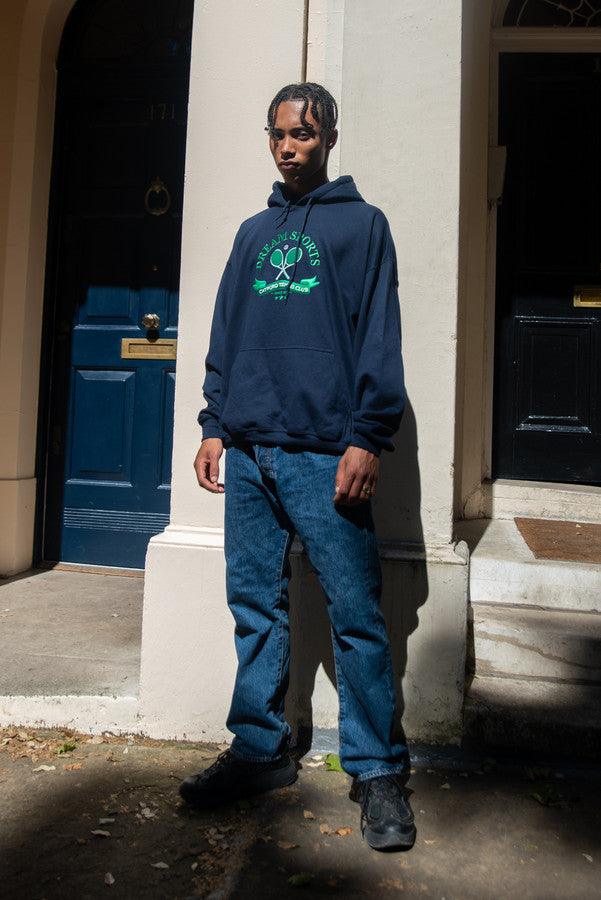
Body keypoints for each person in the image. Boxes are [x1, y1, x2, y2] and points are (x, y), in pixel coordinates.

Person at [179, 82, 416, 852]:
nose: (288, 146)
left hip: (325, 456)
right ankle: (258, 750)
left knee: (356, 618)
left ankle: (377, 771)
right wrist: (215, 425)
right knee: (256, 606)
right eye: (278, 134)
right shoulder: (252, 233)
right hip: (247, 451)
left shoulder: (362, 227)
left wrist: (366, 437)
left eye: (304, 136)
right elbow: (227, 332)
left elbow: (378, 336)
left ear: (330, 139)